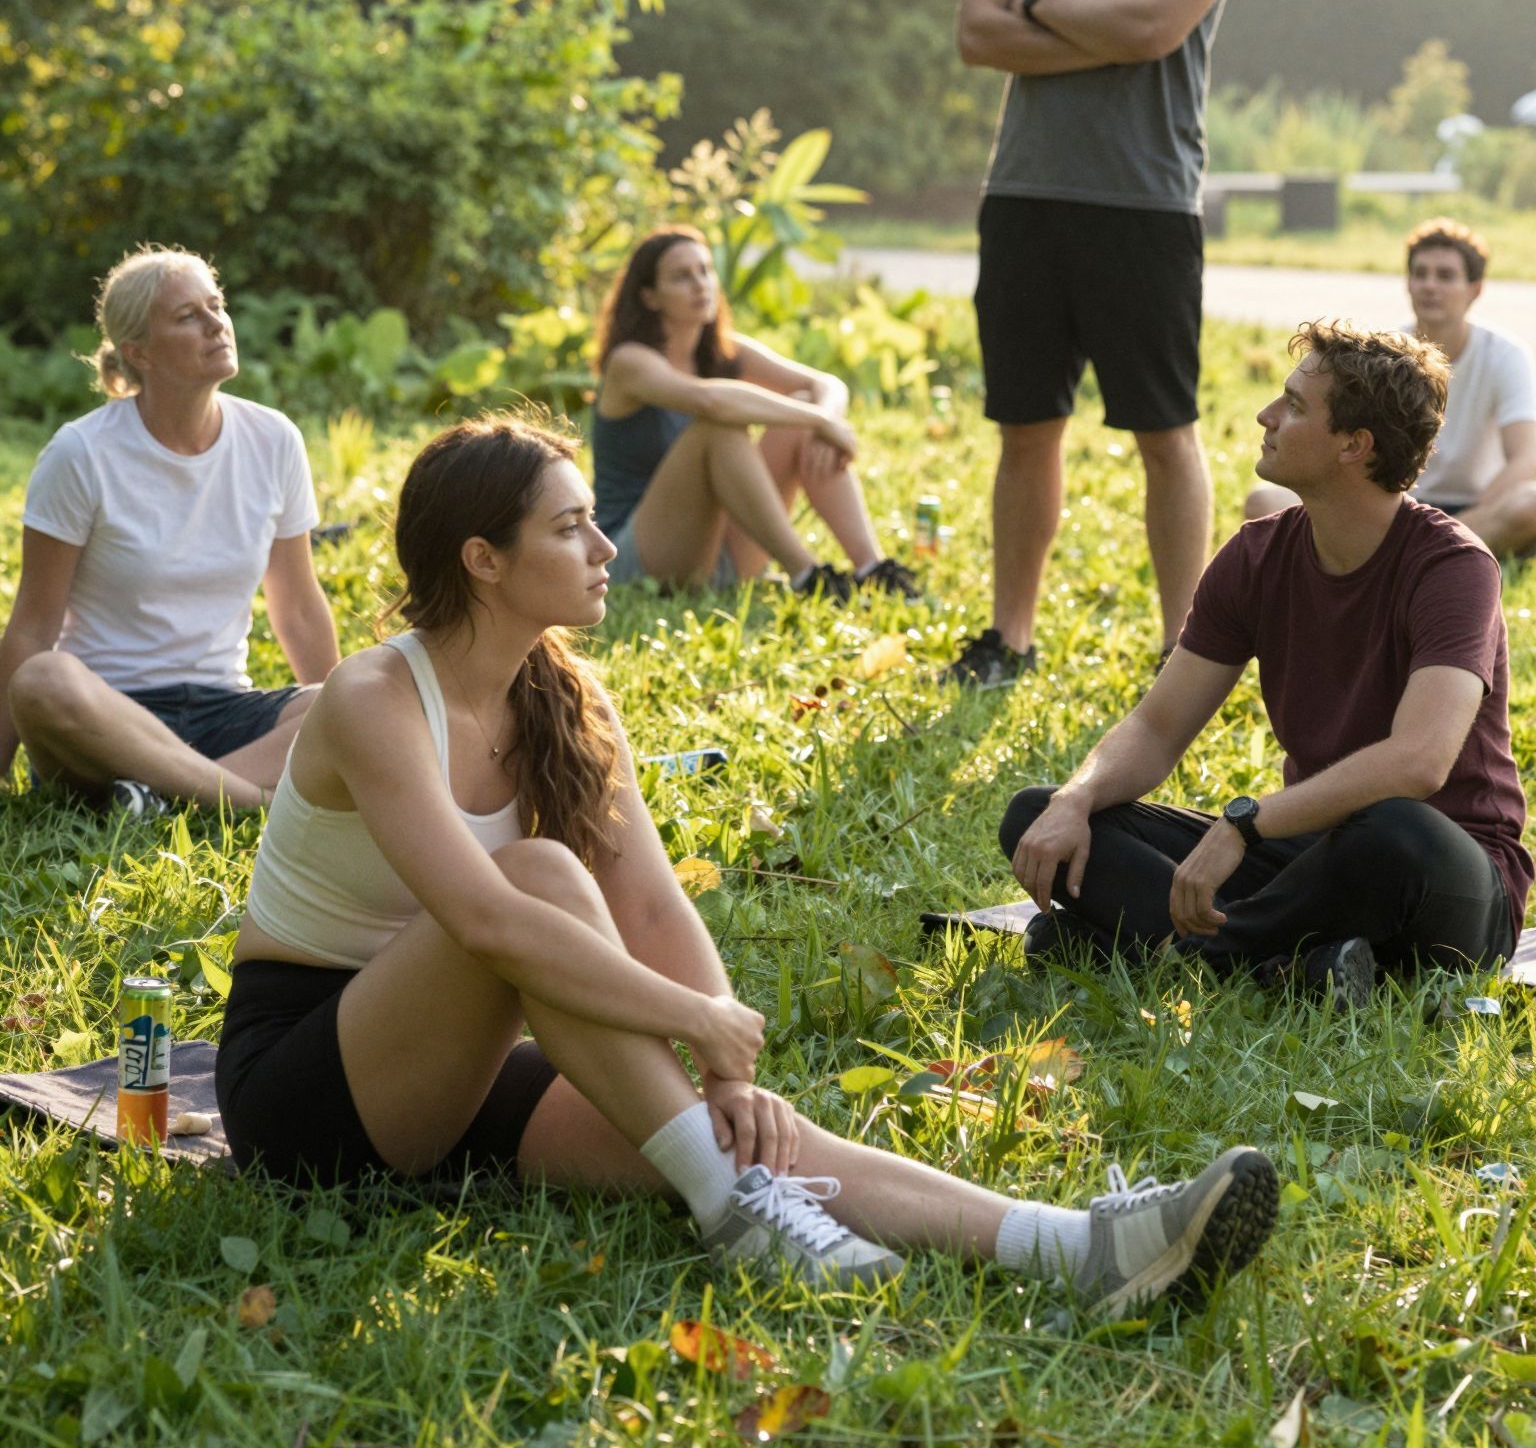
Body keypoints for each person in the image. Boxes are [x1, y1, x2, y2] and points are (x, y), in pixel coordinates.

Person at [215, 411, 1278, 1306]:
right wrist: (693, 1019)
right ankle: (741, 1222)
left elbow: (651, 901)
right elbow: (489, 922)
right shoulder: (372, 697)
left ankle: (1081, 1246)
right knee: (538, 879)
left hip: (467, 1068)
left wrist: (728, 1066)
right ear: (482, 558)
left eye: (595, 521)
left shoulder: (564, 695)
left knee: (743, 1137)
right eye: (572, 527)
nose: (606, 548)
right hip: (311, 1086)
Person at [1001, 323, 1531, 1005]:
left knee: (1394, 829)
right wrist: (1074, 801)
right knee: (1037, 815)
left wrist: (1245, 823)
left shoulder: (1453, 568)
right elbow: (1158, 728)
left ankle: (1167, 951)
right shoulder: (1256, 555)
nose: (1266, 416)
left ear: (1354, 445)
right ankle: (1280, 968)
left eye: (1295, 406)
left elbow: (1419, 762)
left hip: (1446, 876)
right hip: (1309, 858)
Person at [948, 0, 1252, 687]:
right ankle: (1010, 639)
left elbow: (1162, 24)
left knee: (1164, 432)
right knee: (1025, 425)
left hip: (1144, 201)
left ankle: (1185, 651)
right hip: (1027, 195)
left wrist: (1040, 2)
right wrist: (1104, 23)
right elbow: (975, 33)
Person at [0, 246, 338, 812]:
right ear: (139, 352)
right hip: (104, 715)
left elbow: (299, 607)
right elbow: (33, 628)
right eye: (187, 316)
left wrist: (347, 716)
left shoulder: (274, 440)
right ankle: (244, 800)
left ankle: (157, 797)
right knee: (42, 681)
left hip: (227, 710)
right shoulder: (81, 455)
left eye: (216, 305)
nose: (216, 325)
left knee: (353, 698)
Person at [591, 227, 916, 600]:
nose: (701, 285)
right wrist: (821, 420)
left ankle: (872, 569)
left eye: (705, 270)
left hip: (722, 557)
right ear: (649, 296)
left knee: (800, 418)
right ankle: (807, 576)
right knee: (720, 427)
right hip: (639, 557)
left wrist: (821, 422)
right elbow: (710, 402)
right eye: (682, 276)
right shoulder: (630, 362)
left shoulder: (725, 352)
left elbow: (827, 384)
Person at [1245, 219, 1536, 555]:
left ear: (1475, 289)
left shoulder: (1505, 355)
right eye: (1420, 273)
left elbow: (1526, 458)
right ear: (1407, 283)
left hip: (1477, 507)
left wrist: (1457, 526)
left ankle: (1425, 549)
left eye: (1445, 276)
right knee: (1263, 501)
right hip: (1389, 506)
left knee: (1530, 503)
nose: (1429, 285)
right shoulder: (1383, 356)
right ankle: (1424, 551)